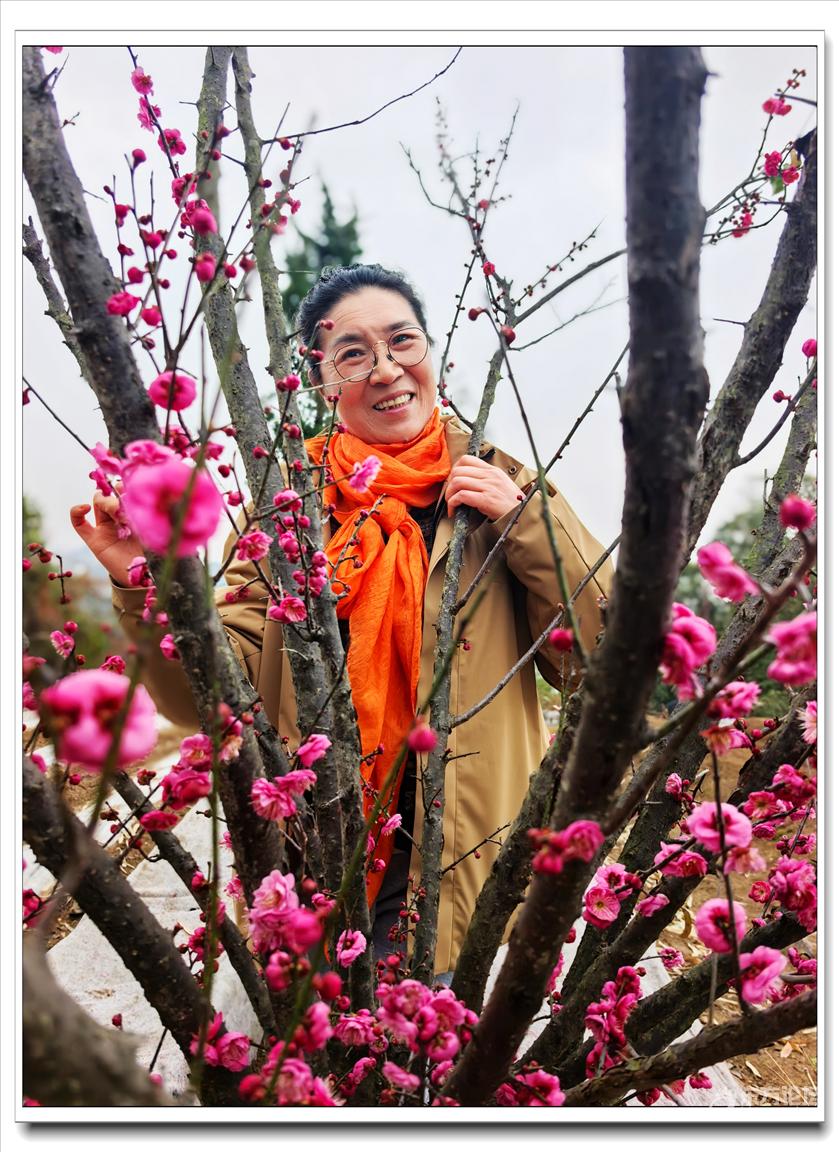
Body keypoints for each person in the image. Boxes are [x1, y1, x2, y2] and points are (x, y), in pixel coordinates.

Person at [71, 263, 613, 982]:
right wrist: (149, 582)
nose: (385, 369)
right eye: (353, 354)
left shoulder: (503, 485)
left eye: (402, 341)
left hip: (465, 862)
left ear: (432, 353)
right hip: (324, 851)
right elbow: (211, 695)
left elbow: (596, 658)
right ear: (321, 382)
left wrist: (526, 524)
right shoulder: (288, 510)